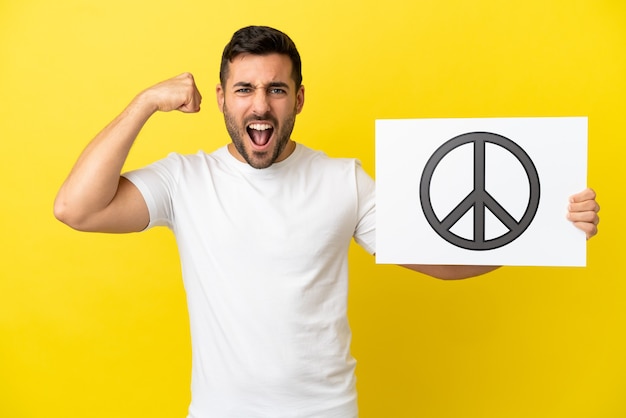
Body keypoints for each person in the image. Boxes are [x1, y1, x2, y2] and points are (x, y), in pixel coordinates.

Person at [54, 26, 600, 418]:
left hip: (326, 411)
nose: (260, 105)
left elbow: (443, 263)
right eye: (244, 89)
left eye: (276, 88)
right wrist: (146, 102)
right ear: (222, 98)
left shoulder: (345, 181)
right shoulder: (185, 181)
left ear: (298, 99)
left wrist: (544, 227)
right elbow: (76, 208)